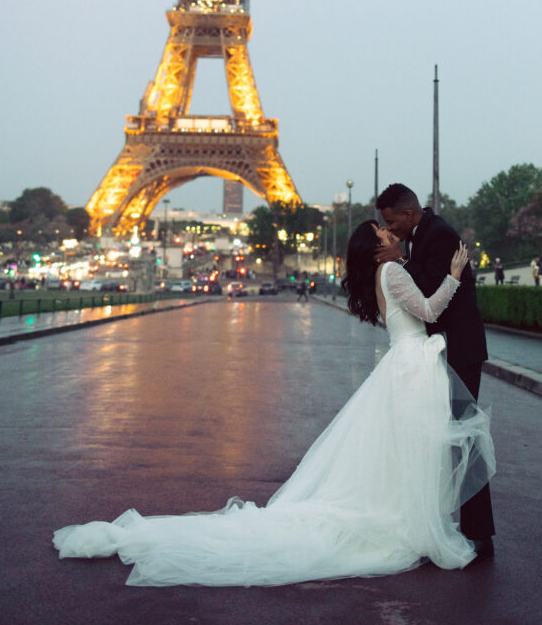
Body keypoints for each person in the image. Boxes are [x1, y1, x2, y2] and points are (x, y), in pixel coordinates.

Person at [52, 222, 495, 586]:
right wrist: (455, 273)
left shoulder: (380, 277)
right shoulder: (394, 273)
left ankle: (407, 518)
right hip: (413, 367)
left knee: (401, 451)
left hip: (401, 366)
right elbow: (432, 312)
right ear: (377, 249)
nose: (392, 235)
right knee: (414, 449)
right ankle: (416, 521)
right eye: (384, 234)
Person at [375, 183, 495, 560]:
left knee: (462, 436)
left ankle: (479, 533)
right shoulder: (423, 233)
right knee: (448, 437)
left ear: (409, 214)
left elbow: (432, 297)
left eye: (392, 221)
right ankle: (456, 525)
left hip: (458, 350)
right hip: (445, 349)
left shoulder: (439, 236)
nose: (389, 228)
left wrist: (401, 261)